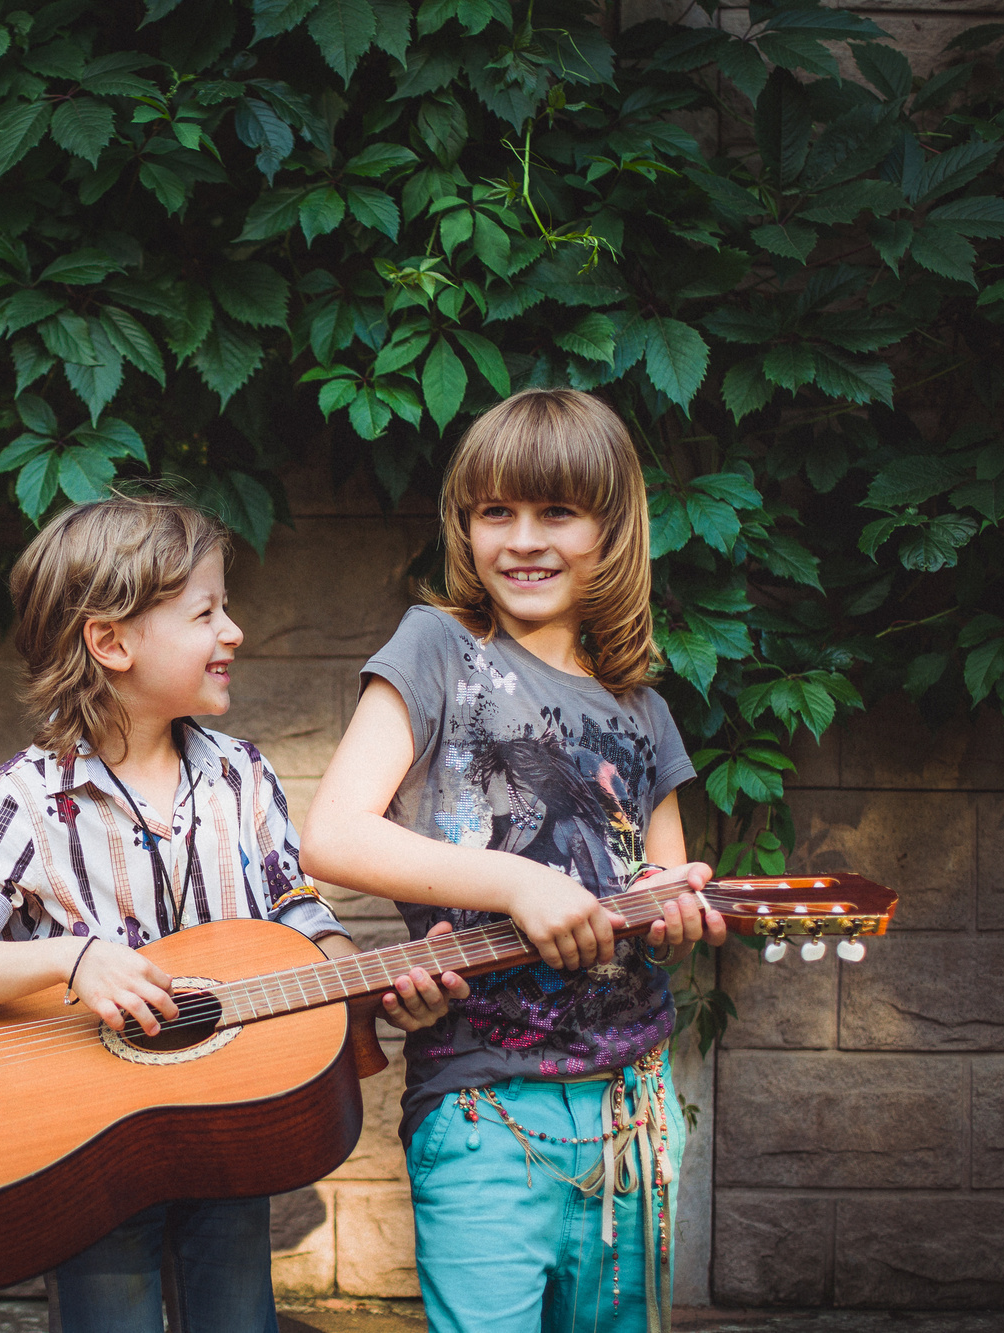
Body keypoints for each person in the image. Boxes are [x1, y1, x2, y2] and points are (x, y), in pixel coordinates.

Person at [0, 492, 468, 1333]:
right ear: (111, 641)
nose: (234, 630)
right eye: (206, 612)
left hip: (226, 1135)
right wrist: (73, 959)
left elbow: (296, 911)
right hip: (87, 1150)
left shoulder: (241, 776)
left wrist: (365, 977)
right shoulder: (25, 796)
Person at [301, 388, 728, 1333]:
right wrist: (521, 882)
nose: (523, 539)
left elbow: (657, 912)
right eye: (497, 511)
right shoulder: (439, 648)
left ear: (611, 530)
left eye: (558, 513)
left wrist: (679, 920)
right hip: (483, 1103)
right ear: (465, 524)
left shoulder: (643, 711)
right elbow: (332, 833)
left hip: (631, 1108)